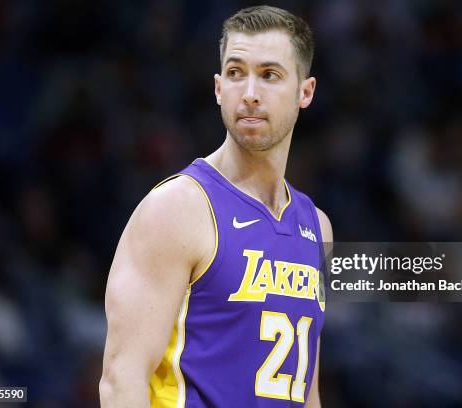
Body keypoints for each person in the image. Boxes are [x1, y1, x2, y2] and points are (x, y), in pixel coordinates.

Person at [99, 5, 332, 408]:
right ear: (218, 87)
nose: (251, 92)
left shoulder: (317, 226)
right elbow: (122, 378)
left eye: (270, 75)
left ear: (305, 92)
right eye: (236, 72)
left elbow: (306, 391)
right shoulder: (177, 208)